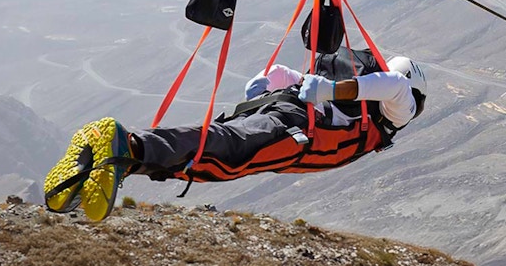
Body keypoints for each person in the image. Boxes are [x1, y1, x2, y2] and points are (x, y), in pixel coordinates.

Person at [44, 49, 427, 222]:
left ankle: (107, 163)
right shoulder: (397, 106)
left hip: (289, 115)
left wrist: (272, 82)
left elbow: (286, 75)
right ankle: (124, 146)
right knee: (224, 155)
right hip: (298, 132)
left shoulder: (361, 102)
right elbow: (394, 86)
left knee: (219, 147)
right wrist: (328, 91)